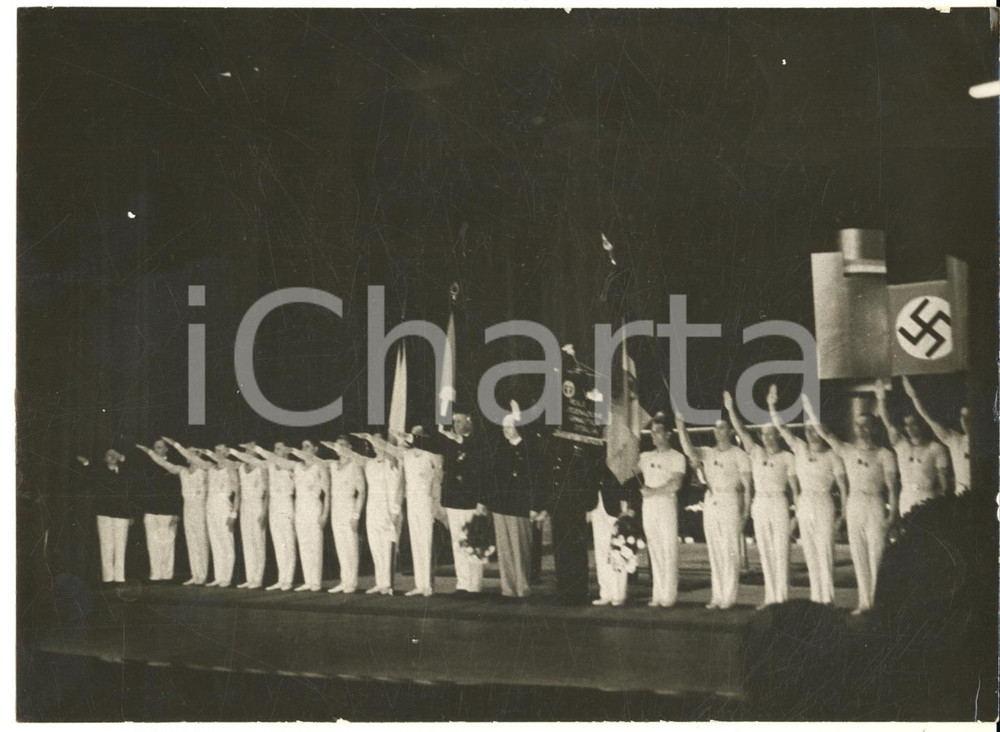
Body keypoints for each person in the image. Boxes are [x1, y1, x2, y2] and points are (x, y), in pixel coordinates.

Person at [802, 394, 898, 615]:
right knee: (858, 555)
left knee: (877, 555)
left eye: (867, 426)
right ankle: (864, 603)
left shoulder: (885, 454)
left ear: (874, 428)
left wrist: (892, 514)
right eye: (859, 426)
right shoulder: (846, 450)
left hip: (875, 503)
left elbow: (892, 487)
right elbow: (824, 433)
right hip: (855, 503)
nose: (863, 430)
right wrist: (809, 407)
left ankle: (878, 604)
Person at [767, 386, 847, 605]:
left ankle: (827, 599)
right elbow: (782, 429)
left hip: (823, 502)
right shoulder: (800, 448)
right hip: (804, 503)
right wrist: (772, 406)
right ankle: (815, 598)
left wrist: (844, 514)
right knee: (810, 551)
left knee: (825, 551)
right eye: (808, 430)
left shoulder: (833, 456)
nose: (812, 434)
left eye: (816, 429)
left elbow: (843, 486)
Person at [674, 399, 752, 610]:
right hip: (711, 500)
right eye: (716, 428)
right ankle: (717, 595)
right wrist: (681, 426)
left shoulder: (739, 454)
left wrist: (746, 512)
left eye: (723, 427)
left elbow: (747, 486)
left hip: (730, 501)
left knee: (730, 549)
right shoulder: (708, 452)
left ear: (729, 431)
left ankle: (729, 596)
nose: (719, 431)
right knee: (715, 549)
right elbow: (688, 449)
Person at [724, 390, 798, 609]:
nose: (767, 437)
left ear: (777, 436)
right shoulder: (755, 452)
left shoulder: (788, 457)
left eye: (771, 434)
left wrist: (796, 515)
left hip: (779, 503)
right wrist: (730, 409)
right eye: (764, 434)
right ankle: (770, 597)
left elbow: (794, 488)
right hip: (760, 505)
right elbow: (740, 430)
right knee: (765, 551)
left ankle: (782, 599)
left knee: (781, 551)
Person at [485, 410, 542, 600]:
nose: (506, 431)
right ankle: (507, 588)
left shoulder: (529, 449)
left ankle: (522, 587)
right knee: (504, 549)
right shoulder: (500, 449)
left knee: (520, 548)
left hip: (519, 507)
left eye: (509, 427)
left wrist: (535, 506)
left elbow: (536, 480)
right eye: (504, 427)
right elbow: (492, 478)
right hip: (500, 506)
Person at [380, 427, 442, 597]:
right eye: (414, 433)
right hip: (412, 503)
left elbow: (439, 478)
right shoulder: (406, 456)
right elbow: (389, 450)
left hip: (426, 501)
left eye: (419, 434)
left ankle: (428, 584)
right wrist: (373, 438)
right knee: (416, 541)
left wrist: (437, 503)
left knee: (426, 541)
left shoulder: (431, 455)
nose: (416, 436)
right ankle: (419, 584)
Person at [140, 439, 211, 585]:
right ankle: (195, 574)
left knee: (201, 542)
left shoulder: (204, 469)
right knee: (191, 542)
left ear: (198, 454)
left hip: (200, 508)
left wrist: (175, 444)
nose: (188, 455)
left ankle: (203, 575)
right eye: (187, 452)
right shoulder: (182, 471)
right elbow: (164, 464)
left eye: (192, 452)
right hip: (188, 508)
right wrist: (149, 451)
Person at [875, 379, 949, 517]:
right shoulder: (902, 445)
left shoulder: (936, 448)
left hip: (928, 497)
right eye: (907, 425)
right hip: (906, 497)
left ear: (921, 425)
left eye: (914, 424)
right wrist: (880, 399)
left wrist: (937, 503)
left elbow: (944, 486)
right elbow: (886, 421)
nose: (910, 428)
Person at [636, 413, 687, 608]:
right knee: (654, 549)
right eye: (652, 432)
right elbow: (629, 470)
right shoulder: (645, 456)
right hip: (648, 506)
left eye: (658, 432)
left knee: (668, 549)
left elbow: (676, 484)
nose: (654, 435)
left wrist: (653, 491)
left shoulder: (677, 457)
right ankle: (657, 593)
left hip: (665, 504)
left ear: (668, 434)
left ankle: (669, 594)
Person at [436, 411, 488, 595]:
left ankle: (475, 584)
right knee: (457, 542)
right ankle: (462, 583)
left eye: (459, 420)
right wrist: (443, 500)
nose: (455, 424)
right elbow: (447, 473)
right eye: (454, 421)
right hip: (453, 500)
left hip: (471, 501)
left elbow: (482, 473)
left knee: (473, 541)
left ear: (469, 421)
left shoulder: (478, 442)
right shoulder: (450, 444)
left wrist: (482, 501)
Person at [900, 376, 970, 495]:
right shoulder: (956, 440)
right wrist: (914, 397)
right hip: (962, 494)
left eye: (969, 417)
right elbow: (929, 419)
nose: (966, 421)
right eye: (963, 417)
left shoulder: (989, 442)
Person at [354, 434, 404, 595]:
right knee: (375, 547)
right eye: (372, 443)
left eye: (378, 442)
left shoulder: (394, 462)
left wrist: (395, 511)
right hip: (372, 509)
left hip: (389, 510)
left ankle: (388, 584)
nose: (375, 445)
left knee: (387, 547)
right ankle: (380, 581)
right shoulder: (369, 463)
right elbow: (352, 456)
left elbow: (400, 488)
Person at [319, 437, 367, 594]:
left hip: (349, 506)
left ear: (350, 447)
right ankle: (344, 580)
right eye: (337, 446)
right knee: (340, 546)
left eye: (343, 445)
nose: (340, 448)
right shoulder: (333, 465)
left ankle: (352, 582)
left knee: (351, 545)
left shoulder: (355, 465)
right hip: (336, 508)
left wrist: (356, 515)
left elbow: (362, 491)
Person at [252, 441, 299, 591]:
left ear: (286, 450)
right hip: (274, 504)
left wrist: (258, 448)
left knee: (288, 541)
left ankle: (289, 579)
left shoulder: (293, 465)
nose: (277, 451)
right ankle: (281, 578)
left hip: (286, 502)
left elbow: (298, 482)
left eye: (280, 448)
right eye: (275, 448)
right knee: (278, 542)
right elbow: (252, 461)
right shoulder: (269, 465)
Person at [133, 439, 182, 582]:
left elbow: (179, 491)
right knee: (152, 544)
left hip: (167, 511)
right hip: (150, 511)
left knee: (166, 543)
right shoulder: (147, 466)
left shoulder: (173, 467)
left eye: (160, 447)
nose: (157, 450)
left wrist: (177, 512)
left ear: (166, 449)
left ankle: (167, 574)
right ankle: (155, 573)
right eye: (155, 448)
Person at [196, 444, 241, 588]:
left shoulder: (230, 469)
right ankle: (218, 576)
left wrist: (234, 513)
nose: (219, 453)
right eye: (217, 450)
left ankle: (227, 577)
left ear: (227, 453)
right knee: (215, 542)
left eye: (222, 451)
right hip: (211, 506)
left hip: (224, 506)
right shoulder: (210, 469)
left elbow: (238, 492)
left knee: (226, 542)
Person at [287, 441, 330, 592]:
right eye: (302, 446)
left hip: (313, 507)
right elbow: (293, 483)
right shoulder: (298, 467)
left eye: (307, 446)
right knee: (304, 544)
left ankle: (316, 581)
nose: (304, 449)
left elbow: (327, 492)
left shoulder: (320, 467)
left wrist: (325, 513)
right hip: (300, 508)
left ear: (315, 449)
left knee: (315, 544)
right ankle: (308, 580)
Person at [229, 444, 269, 590]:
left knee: (258, 542)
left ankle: (258, 578)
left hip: (257, 505)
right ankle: (249, 577)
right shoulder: (240, 468)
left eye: (251, 450)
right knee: (248, 543)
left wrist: (264, 512)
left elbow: (268, 492)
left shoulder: (262, 468)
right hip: (245, 507)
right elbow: (238, 492)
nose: (248, 452)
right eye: (246, 450)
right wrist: (235, 512)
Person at [92, 448, 131, 583]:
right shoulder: (100, 472)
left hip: (122, 514)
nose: (113, 457)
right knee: (106, 546)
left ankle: (120, 577)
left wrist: (130, 514)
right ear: (104, 458)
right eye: (109, 455)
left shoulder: (125, 472)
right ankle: (108, 578)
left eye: (115, 454)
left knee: (121, 546)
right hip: (104, 514)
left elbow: (130, 492)